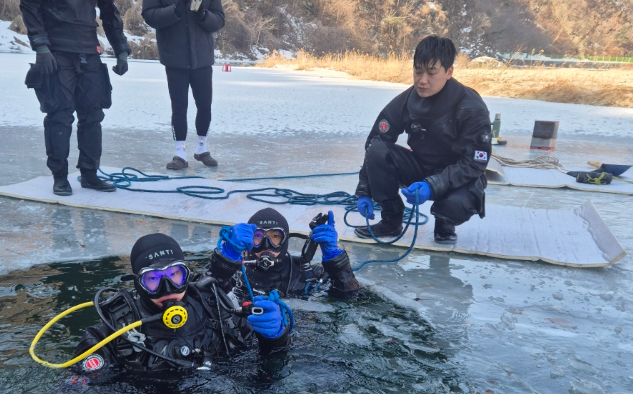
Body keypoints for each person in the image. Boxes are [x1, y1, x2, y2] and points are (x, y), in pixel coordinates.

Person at [60, 232, 290, 394]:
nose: (167, 288)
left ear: (186, 275)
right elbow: (69, 389)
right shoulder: (114, 330)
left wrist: (275, 337)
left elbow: (265, 363)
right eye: (153, 279)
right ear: (138, 283)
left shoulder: (214, 306)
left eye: (175, 275)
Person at [20, 0, 130, 197]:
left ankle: (90, 172)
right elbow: (30, 6)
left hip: (88, 52)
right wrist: (41, 46)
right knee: (60, 115)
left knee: (92, 114)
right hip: (56, 53)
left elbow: (109, 13)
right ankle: (59, 175)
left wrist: (120, 48)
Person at [354, 35, 492, 244]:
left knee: (454, 204)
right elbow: (376, 140)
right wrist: (364, 190)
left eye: (431, 72)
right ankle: (391, 219)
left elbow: (475, 162)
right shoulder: (408, 100)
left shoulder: (471, 107)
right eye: (418, 71)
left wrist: (433, 185)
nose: (422, 80)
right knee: (378, 150)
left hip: (458, 176)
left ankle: (445, 222)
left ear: (449, 72)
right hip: (421, 167)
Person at [141, 0, 225, 170]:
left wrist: (203, 16)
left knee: (205, 106)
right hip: (175, 59)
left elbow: (219, 20)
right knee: (179, 107)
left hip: (202, 59)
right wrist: (174, 11)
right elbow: (149, 15)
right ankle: (180, 153)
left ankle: (202, 148)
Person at [209, 207, 362, 300]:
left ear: (285, 241)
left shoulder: (309, 275)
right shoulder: (235, 275)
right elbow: (205, 297)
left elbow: (353, 299)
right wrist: (225, 262)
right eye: (259, 236)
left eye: (275, 237)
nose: (266, 245)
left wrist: (336, 262)